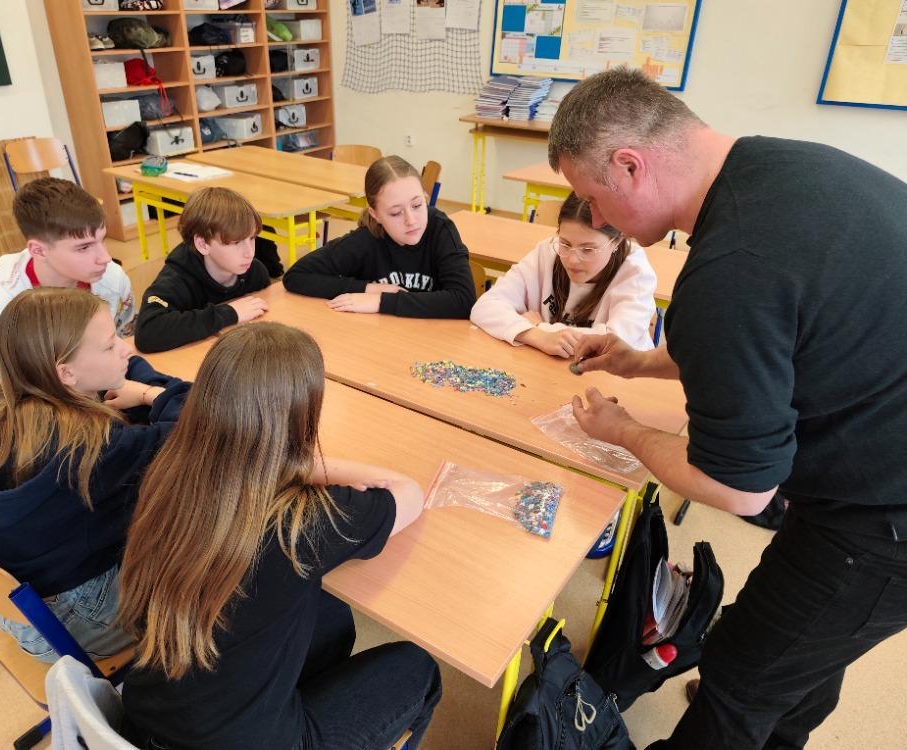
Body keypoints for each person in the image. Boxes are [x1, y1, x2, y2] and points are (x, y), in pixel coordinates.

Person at [547, 67, 907, 749]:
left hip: (884, 515)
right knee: (804, 648)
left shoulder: (730, 269)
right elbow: (775, 335)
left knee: (744, 673)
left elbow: (740, 488)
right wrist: (640, 361)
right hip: (870, 450)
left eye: (592, 198)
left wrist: (625, 430)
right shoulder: (778, 166)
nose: (595, 218)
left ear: (629, 166)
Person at [118, 322, 442, 750]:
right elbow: (407, 492)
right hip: (243, 742)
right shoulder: (300, 524)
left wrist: (273, 461)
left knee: (331, 619)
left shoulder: (168, 472)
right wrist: (296, 464)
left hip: (150, 716)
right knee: (419, 667)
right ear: (302, 417)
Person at [0, 288, 190, 662]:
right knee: (207, 532)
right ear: (65, 373)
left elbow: (129, 371)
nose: (126, 349)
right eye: (110, 345)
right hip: (78, 624)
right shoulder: (95, 447)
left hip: (21, 609)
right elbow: (196, 422)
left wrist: (124, 376)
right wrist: (147, 393)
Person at [0, 178, 135, 407]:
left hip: (95, 389)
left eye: (102, 240)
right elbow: (1, 396)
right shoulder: (1, 307)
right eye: (83, 247)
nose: (104, 257)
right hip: (30, 407)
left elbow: (124, 341)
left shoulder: (111, 278)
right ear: (38, 250)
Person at [282, 155, 475, 318]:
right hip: (380, 337)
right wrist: (368, 288)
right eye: (395, 213)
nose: (411, 220)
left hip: (433, 338)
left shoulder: (440, 229)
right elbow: (296, 276)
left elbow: (464, 300)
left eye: (417, 205)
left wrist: (380, 301)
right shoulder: (366, 239)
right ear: (375, 214)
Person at [470, 192, 656, 356]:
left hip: (616, 378)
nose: (572, 260)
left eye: (588, 249)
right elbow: (485, 306)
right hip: (550, 369)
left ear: (617, 241)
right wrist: (536, 336)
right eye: (565, 244)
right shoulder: (546, 252)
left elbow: (615, 343)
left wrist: (540, 327)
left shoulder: (636, 274)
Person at [134, 187, 271, 353]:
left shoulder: (255, 272)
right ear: (203, 244)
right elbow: (147, 333)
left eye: (252, 238)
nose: (249, 252)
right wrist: (230, 313)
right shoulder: (176, 280)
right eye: (236, 243)